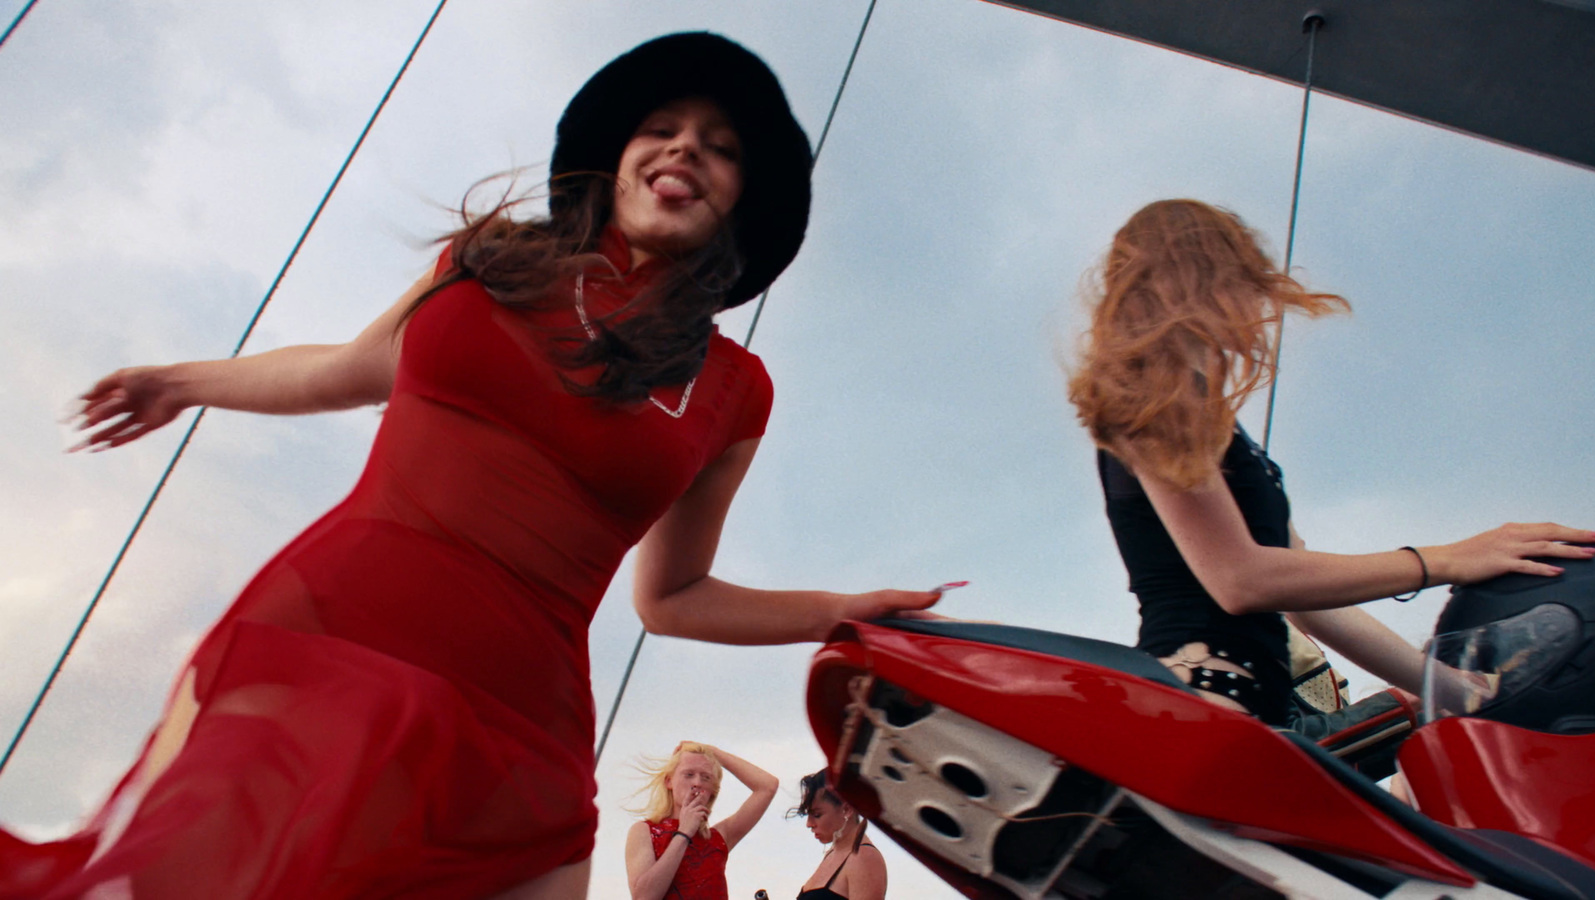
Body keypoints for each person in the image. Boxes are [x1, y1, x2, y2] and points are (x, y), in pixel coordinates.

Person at [2, 33, 938, 900]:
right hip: (333, 632)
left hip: (525, 716)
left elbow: (673, 597)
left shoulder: (736, 388)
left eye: (720, 145)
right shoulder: (497, 262)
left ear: (746, 194)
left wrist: (838, 611)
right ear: (615, 161)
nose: (685, 148)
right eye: (662, 129)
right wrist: (183, 380)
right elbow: (343, 370)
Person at [1065, 198, 1595, 726]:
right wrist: (1449, 559)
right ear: (1201, 276)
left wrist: (1456, 690)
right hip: (1202, 710)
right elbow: (1240, 580)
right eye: (1245, 280)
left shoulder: (1214, 426)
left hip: (1251, 715)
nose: (1258, 305)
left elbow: (1309, 603)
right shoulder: (1154, 400)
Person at [623, 742, 776, 900]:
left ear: (712, 791)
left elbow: (767, 786)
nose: (697, 783)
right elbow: (644, 897)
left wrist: (714, 752)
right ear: (669, 781)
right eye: (688, 774)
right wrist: (683, 833)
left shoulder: (718, 838)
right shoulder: (644, 831)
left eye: (706, 777)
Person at [788, 770, 885, 900]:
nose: (809, 824)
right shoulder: (832, 853)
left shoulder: (864, 857)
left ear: (847, 809)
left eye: (817, 815)